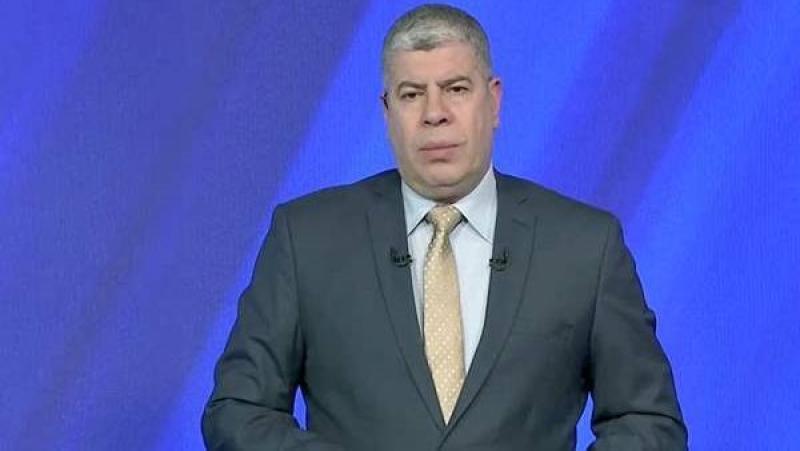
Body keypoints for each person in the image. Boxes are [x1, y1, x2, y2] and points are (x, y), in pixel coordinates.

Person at [202, 4, 687, 450]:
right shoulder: (306, 238)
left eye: (456, 89)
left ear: (493, 102)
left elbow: (648, 421)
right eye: (412, 94)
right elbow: (238, 411)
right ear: (387, 112)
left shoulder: (585, 246)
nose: (435, 114)